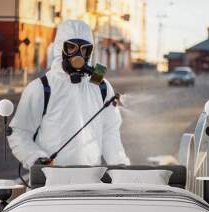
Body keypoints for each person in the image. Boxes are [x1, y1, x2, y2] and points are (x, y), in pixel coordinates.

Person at [8, 20, 130, 169]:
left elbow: (110, 131)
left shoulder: (101, 86)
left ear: (90, 52)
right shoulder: (42, 87)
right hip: (52, 179)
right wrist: (36, 159)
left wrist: (120, 165)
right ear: (60, 48)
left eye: (84, 49)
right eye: (71, 47)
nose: (78, 54)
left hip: (91, 177)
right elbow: (19, 132)